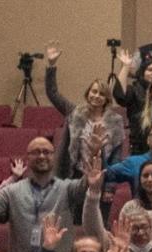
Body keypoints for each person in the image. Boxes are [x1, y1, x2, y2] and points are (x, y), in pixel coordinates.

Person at [43, 43, 127, 177]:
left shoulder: (115, 121)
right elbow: (52, 93)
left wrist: (110, 187)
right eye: (94, 91)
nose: (96, 96)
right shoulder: (74, 111)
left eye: (101, 94)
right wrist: (51, 65)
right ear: (88, 93)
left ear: (106, 99)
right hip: (73, 175)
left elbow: (116, 158)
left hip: (101, 175)